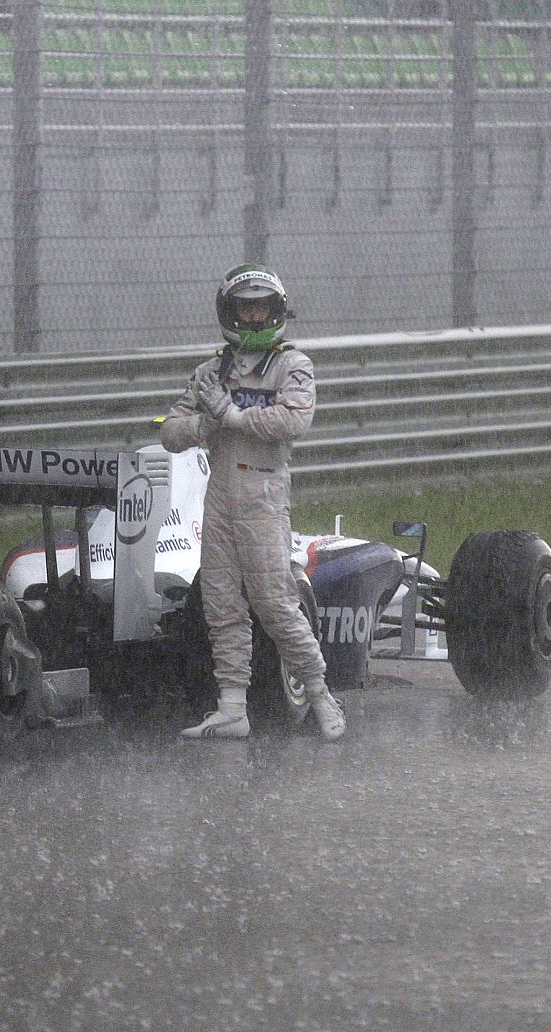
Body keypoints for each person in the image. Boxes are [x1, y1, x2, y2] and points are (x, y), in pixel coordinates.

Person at [158, 264, 345, 741]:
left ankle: (321, 694)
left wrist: (231, 415)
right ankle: (232, 707)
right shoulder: (209, 371)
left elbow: (292, 423)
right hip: (218, 494)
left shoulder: (293, 365)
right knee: (220, 605)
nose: (255, 314)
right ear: (231, 312)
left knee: (275, 603)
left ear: (277, 309)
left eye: (262, 305)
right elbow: (169, 432)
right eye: (247, 306)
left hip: (263, 493)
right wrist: (205, 425)